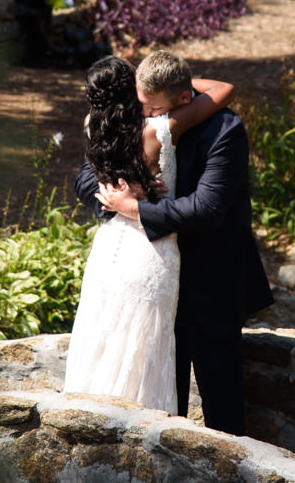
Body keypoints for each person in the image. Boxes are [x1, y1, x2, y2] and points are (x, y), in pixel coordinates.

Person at [82, 50, 273, 436]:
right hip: (148, 282)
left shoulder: (225, 130)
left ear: (182, 98)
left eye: (154, 106)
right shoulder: (131, 120)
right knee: (159, 408)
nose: (147, 114)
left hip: (211, 283)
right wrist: (116, 193)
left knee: (224, 415)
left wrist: (136, 207)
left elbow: (206, 209)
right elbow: (85, 179)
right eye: (144, 105)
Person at [63, 55, 237, 413]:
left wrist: (122, 200)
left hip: (109, 251)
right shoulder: (161, 128)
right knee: (145, 351)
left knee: (105, 339)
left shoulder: (93, 124)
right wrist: (177, 83)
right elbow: (224, 89)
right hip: (150, 252)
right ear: (133, 89)